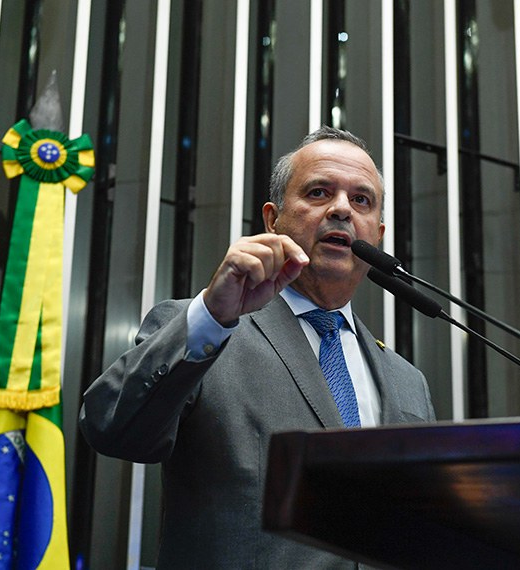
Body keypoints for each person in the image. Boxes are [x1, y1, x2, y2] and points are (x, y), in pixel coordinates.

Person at [79, 126, 436, 568]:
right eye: (320, 192)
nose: (342, 209)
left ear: (377, 235)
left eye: (361, 200)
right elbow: (112, 428)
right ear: (273, 220)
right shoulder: (204, 330)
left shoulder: (407, 380)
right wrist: (212, 314)